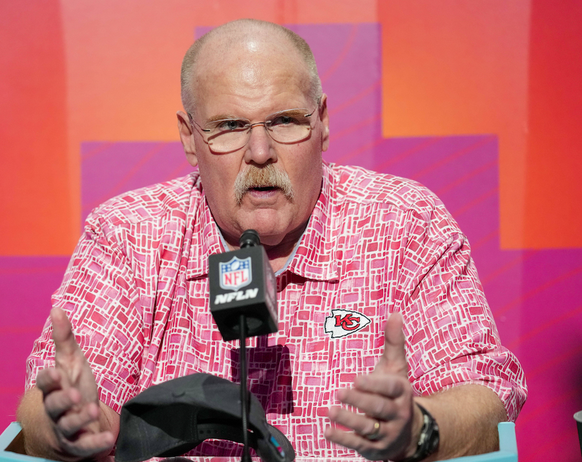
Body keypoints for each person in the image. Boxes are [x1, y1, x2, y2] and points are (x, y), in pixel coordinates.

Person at [17, 19, 526, 462]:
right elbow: (42, 410)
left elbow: (487, 396)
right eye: (230, 126)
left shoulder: (405, 223)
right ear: (190, 139)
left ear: (323, 121)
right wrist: (68, 425)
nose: (260, 152)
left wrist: (418, 428)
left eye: (285, 121)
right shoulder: (128, 234)